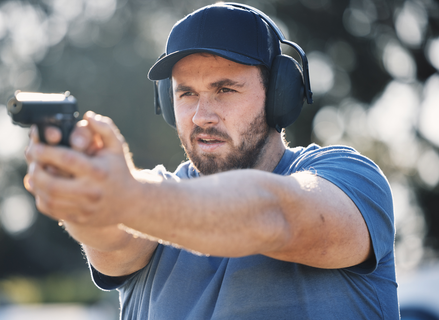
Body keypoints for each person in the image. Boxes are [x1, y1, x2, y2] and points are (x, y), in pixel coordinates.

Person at [24, 3, 399, 319]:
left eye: (225, 89)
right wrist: (84, 196)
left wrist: (124, 198)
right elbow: (112, 239)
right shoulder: (150, 203)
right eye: (186, 93)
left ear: (280, 94)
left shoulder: (351, 179)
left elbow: (279, 215)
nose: (202, 116)